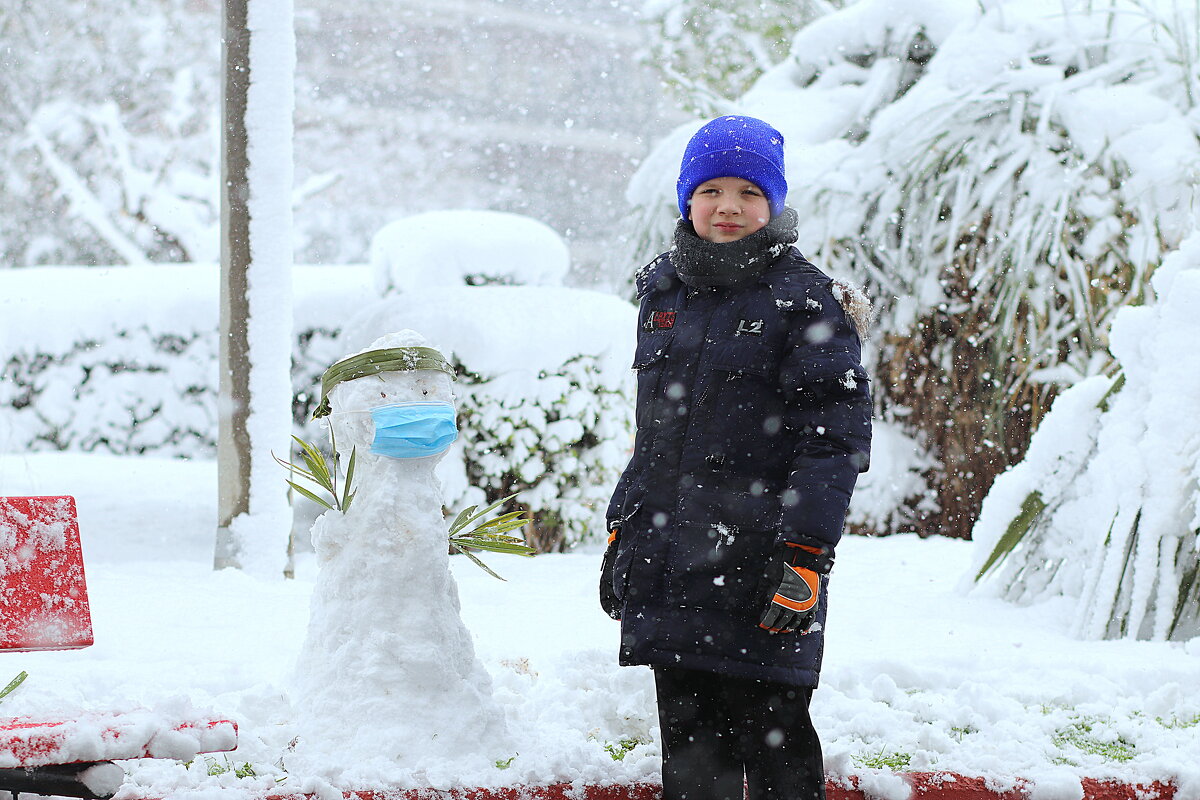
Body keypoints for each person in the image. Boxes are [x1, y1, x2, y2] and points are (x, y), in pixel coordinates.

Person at [599, 115, 872, 800]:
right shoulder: (661, 295)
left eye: (749, 191)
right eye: (712, 188)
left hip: (763, 567)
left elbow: (832, 438)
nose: (728, 206)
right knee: (692, 765)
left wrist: (806, 553)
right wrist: (623, 529)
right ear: (687, 198)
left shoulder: (806, 300)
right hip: (670, 560)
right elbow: (656, 434)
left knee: (776, 747)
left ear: (774, 203)